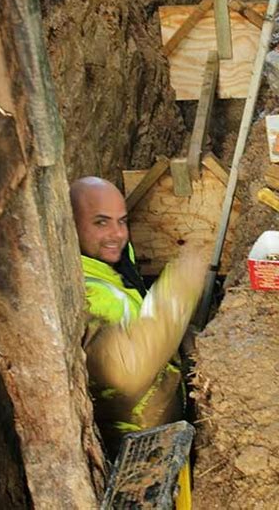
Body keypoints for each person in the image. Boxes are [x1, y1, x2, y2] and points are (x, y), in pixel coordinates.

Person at [70, 176, 205, 458]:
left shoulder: (111, 256)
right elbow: (127, 368)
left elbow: (140, 315)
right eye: (101, 222)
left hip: (166, 404)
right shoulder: (84, 295)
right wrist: (180, 287)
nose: (117, 234)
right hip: (138, 442)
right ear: (69, 226)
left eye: (122, 221)